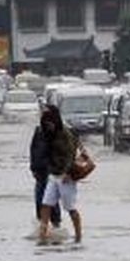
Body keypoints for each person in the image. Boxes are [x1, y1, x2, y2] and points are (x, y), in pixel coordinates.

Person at [37, 105, 83, 244]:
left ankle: (78, 235)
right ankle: (43, 233)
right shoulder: (48, 134)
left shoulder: (65, 134)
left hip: (66, 177)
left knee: (70, 208)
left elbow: (71, 154)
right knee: (45, 204)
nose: (48, 125)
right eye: (45, 123)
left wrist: (68, 172)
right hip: (53, 175)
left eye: (49, 122)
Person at [30, 112, 62, 230]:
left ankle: (56, 224)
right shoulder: (38, 132)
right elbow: (33, 149)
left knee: (51, 199)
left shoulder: (58, 133)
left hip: (52, 172)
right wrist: (33, 167)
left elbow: (63, 152)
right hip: (39, 171)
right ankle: (42, 226)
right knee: (39, 198)